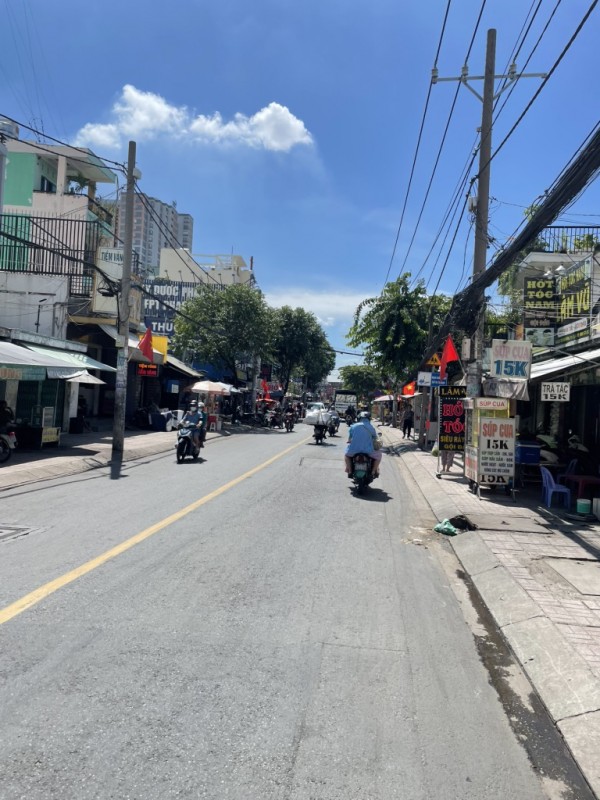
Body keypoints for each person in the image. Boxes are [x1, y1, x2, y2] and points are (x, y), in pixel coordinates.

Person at [344, 411, 382, 478]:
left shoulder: (353, 426)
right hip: (368, 451)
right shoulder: (371, 427)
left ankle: (349, 470)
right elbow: (375, 437)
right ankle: (373, 471)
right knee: (379, 455)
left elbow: (349, 438)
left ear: (359, 418)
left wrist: (350, 441)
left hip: (354, 450)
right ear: (369, 419)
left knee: (346, 455)